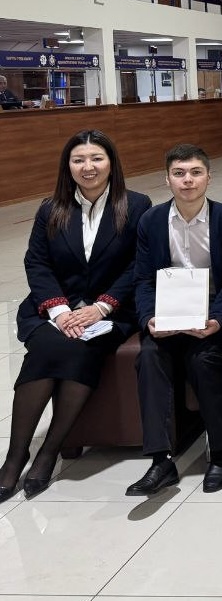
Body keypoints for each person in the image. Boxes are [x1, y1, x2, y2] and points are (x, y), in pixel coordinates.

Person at [1, 131, 151, 502]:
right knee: (46, 347)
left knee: (82, 348)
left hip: (111, 309)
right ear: (67, 166)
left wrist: (101, 306)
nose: (88, 167)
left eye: (96, 158)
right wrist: (60, 310)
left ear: (111, 163)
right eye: (78, 160)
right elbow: (36, 262)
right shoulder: (51, 209)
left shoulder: (135, 205)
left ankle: (49, 451)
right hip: (56, 308)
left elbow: (138, 264)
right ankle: (15, 457)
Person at [126, 144, 222, 497]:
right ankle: (161, 460)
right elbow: (143, 279)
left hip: (209, 311)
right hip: (166, 311)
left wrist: (218, 319)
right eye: (179, 173)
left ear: (209, 177)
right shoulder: (151, 221)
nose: (188, 180)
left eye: (195, 172)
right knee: (149, 358)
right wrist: (148, 318)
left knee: (205, 360)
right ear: (167, 179)